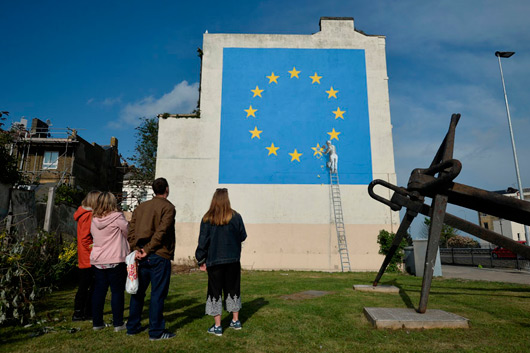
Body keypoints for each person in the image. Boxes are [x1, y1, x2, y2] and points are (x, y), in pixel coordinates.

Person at [126, 177, 176, 341]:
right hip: (158, 254)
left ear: (154, 190)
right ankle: (155, 331)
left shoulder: (141, 207)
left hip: (141, 254)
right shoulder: (168, 207)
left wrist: (136, 249)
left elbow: (131, 230)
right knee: (157, 293)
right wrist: (145, 250)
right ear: (166, 189)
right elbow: (162, 231)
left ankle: (132, 327)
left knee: (138, 293)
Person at [195, 188, 247, 337]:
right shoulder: (236, 216)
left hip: (214, 260)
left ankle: (218, 326)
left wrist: (201, 259)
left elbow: (203, 241)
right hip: (233, 259)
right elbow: (243, 235)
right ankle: (235, 321)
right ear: (227, 199)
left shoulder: (207, 218)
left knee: (214, 291)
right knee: (233, 288)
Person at [90, 192, 130, 332]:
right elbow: (128, 232)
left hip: (98, 259)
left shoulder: (94, 219)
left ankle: (97, 323)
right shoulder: (118, 217)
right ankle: (118, 323)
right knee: (117, 292)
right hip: (115, 258)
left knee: (99, 291)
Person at [72, 190, 100, 321]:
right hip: (89, 257)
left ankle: (82, 311)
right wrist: (95, 250)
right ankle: (81, 312)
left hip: (85, 256)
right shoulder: (88, 216)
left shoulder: (84, 214)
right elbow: (85, 238)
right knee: (89, 286)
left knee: (86, 285)